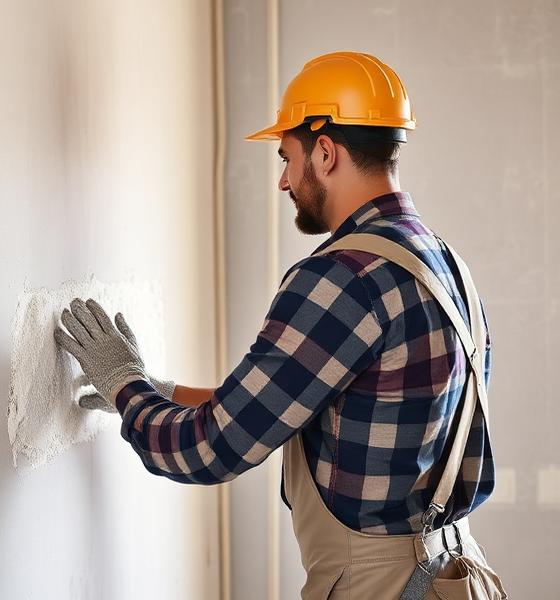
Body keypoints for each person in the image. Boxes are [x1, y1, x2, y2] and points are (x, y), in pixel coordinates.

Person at [54, 51, 507, 599]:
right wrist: (159, 391)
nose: (284, 180)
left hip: (380, 586)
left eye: (286, 158)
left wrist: (123, 383)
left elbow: (206, 451)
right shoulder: (444, 264)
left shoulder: (343, 276)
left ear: (325, 150)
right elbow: (303, 405)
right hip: (456, 575)